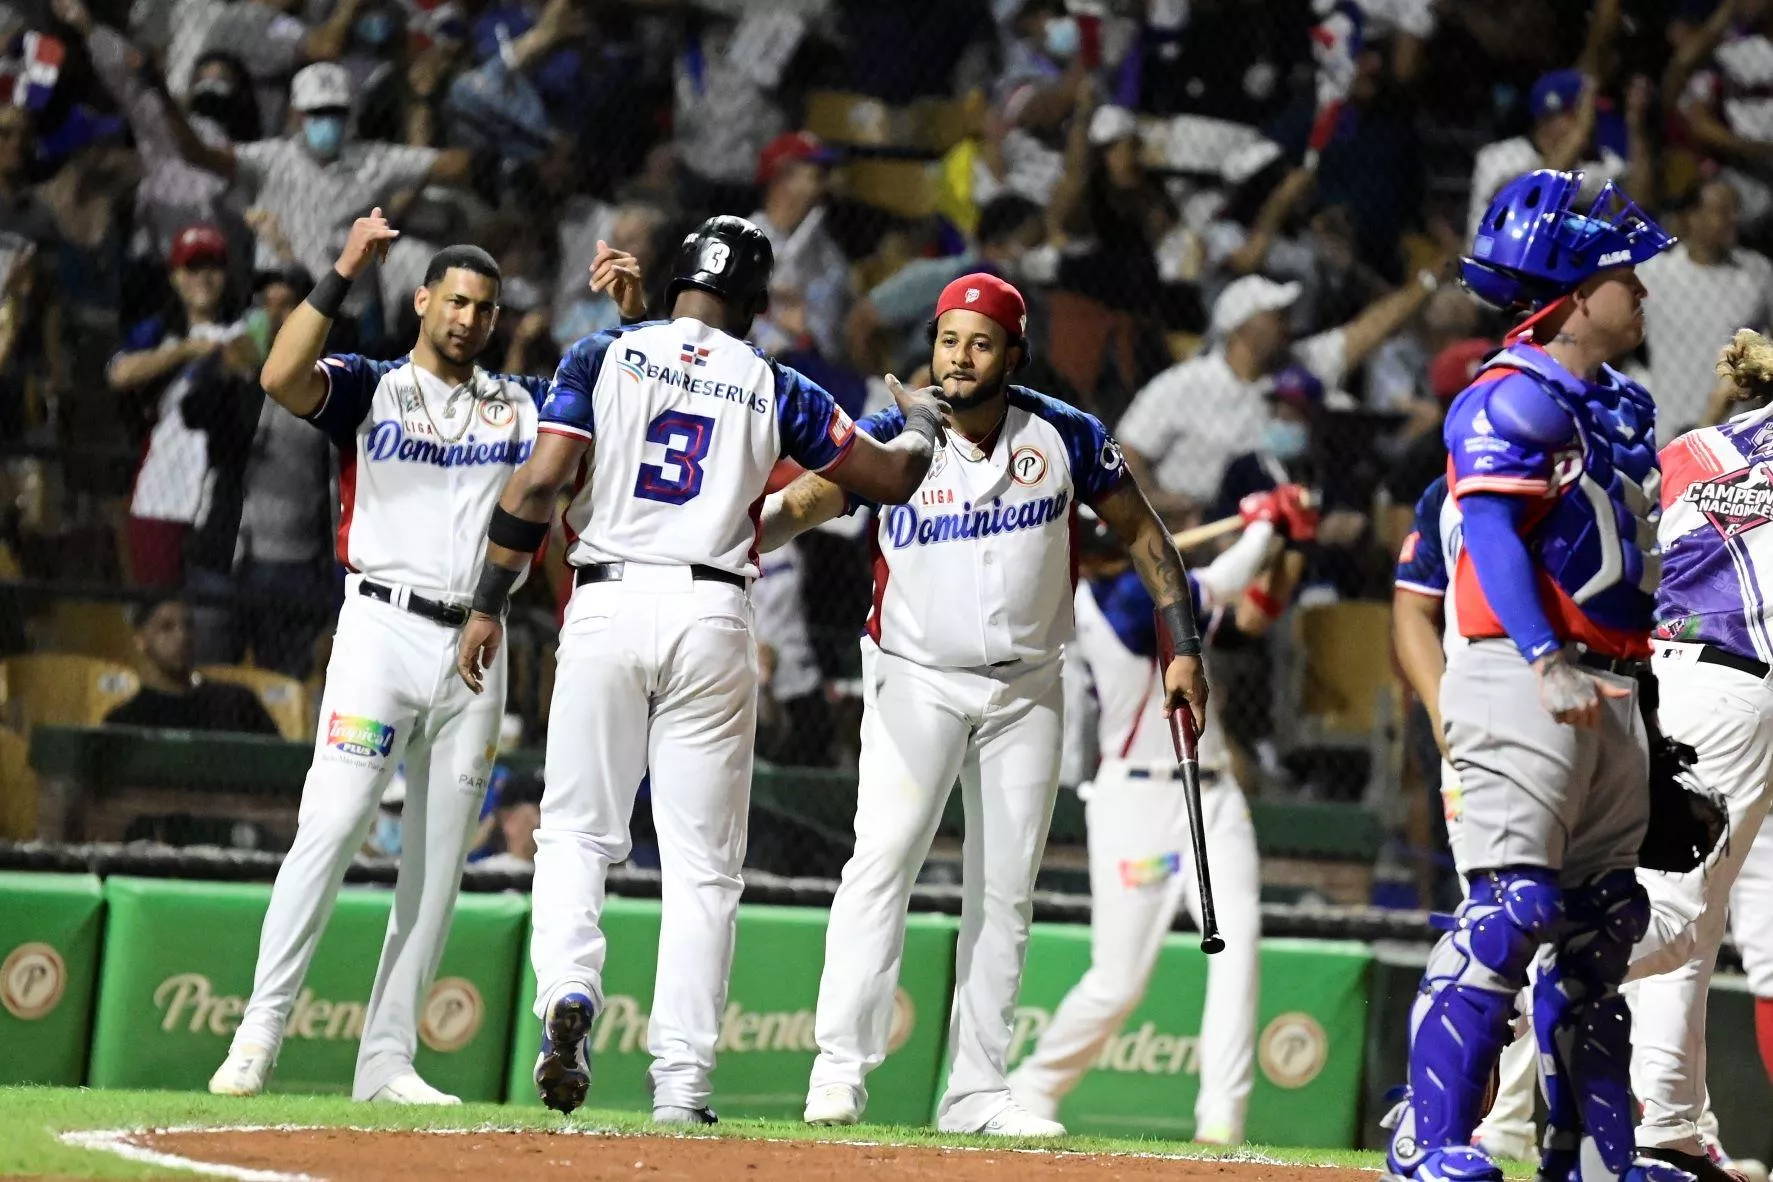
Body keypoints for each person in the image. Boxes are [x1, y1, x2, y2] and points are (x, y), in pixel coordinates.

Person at [454, 215, 947, 1125]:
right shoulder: (772, 377)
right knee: (704, 870)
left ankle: (570, 986)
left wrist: (489, 599)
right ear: (753, 302)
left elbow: (537, 482)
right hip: (713, 611)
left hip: (602, 600)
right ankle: (680, 1086)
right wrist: (918, 421)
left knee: (575, 834)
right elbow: (887, 479)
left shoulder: (601, 353)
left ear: (678, 279)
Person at [206, 207, 647, 1105]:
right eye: (454, 302)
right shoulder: (372, 387)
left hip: (477, 644)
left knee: (438, 866)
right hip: (378, 629)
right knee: (328, 832)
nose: (468, 320)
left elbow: (623, 415)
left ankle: (387, 1060)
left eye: (483, 308)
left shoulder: (521, 403)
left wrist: (634, 323)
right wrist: (340, 269)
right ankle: (259, 1032)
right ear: (420, 301)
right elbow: (280, 372)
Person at [757, 272, 1210, 1137]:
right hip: (914, 676)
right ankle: (837, 1072)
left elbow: (1145, 535)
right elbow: (802, 507)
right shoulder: (894, 435)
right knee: (881, 862)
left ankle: (977, 1090)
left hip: (1028, 687)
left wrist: (1182, 649)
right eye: (947, 341)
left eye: (979, 343)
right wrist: (728, 537)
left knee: (1004, 889)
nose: (958, 360)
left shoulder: (1065, 433)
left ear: (1014, 353)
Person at [1382, 168, 1686, 1182]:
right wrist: (1544, 656)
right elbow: (1502, 537)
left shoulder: (1617, 406)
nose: (1641, 292)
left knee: (1603, 930)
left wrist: (1646, 706)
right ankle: (1426, 1142)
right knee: (1510, 910)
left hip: (1610, 685)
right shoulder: (1508, 394)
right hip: (1523, 676)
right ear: (1571, 291)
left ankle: (1592, 1159)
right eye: (1624, 277)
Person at [1006, 491, 1312, 1144]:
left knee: (1237, 955)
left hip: (1213, 794)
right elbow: (1218, 581)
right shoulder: (1111, 604)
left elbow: (1251, 613)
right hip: (1136, 804)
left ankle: (1220, 1119)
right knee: (1118, 982)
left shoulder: (1147, 594)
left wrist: (1289, 543)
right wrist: (1259, 526)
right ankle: (1032, 1086)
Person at [1626, 328, 1773, 1182]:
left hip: (1677, 675)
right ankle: (1504, 983)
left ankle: (1671, 1124)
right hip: (1735, 688)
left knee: (1698, 917)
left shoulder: (1691, 446)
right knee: (1677, 916)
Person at [103, 593, 279, 734]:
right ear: (141, 640)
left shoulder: (238, 704)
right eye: (166, 627)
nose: (182, 637)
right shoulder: (125, 722)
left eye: (188, 626)